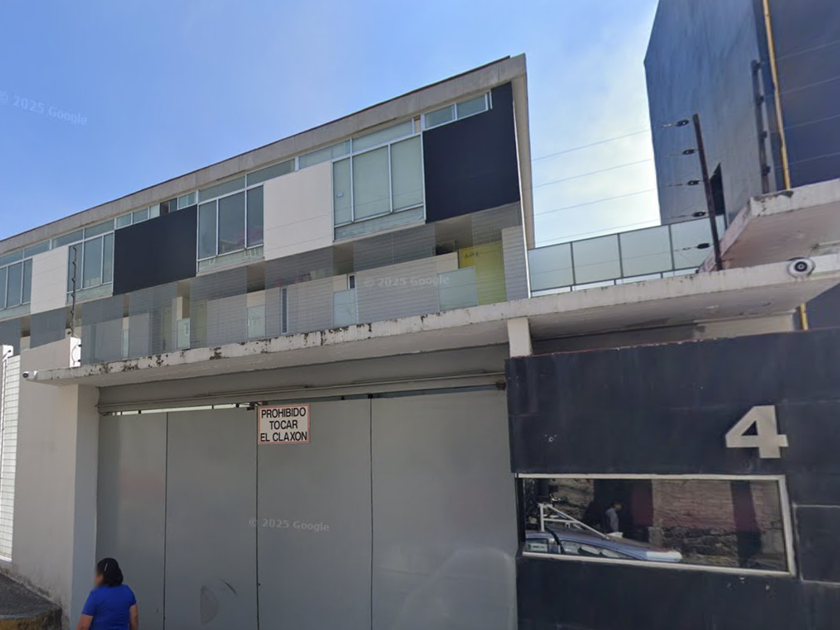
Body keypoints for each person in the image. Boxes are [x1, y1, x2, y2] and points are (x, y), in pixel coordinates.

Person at [76, 558, 139, 630]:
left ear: (101, 576)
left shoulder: (96, 595)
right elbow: (134, 617)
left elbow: (83, 626)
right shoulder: (127, 592)